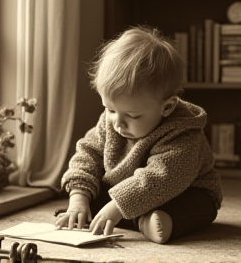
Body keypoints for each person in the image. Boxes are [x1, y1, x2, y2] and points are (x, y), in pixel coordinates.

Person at [55, 25, 223, 244]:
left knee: (199, 207)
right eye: (111, 109)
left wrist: (116, 207)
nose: (118, 122)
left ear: (167, 107)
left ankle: (148, 221)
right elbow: (88, 154)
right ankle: (121, 216)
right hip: (126, 192)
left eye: (132, 115)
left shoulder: (184, 131)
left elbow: (162, 178)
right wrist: (78, 198)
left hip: (181, 191)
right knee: (94, 199)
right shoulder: (113, 121)